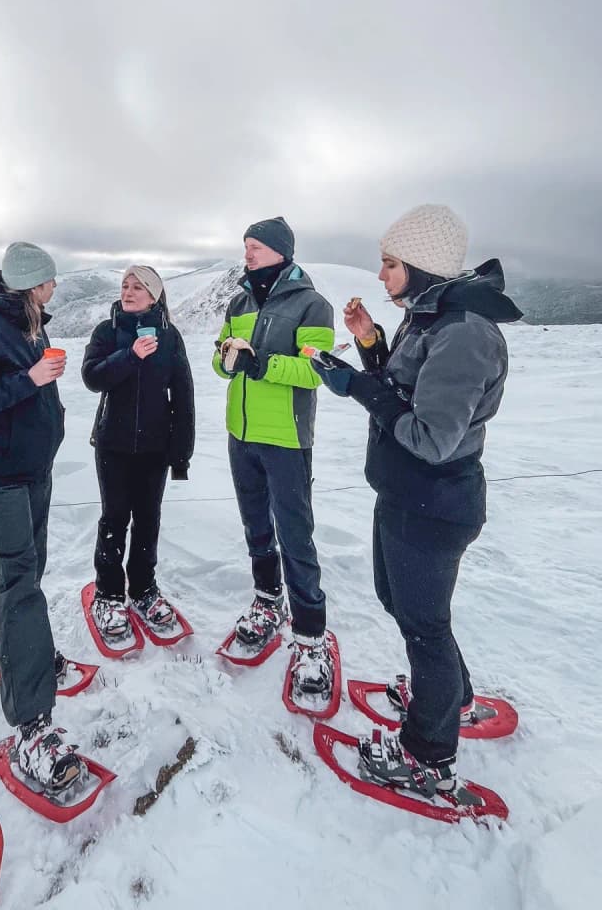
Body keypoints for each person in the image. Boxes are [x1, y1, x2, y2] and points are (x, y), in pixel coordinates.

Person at [309, 204, 521, 797]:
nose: (380, 275)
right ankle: (450, 696)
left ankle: (428, 756)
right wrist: (370, 346)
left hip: (433, 502)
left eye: (389, 263)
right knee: (402, 605)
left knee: (424, 626)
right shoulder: (430, 316)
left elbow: (431, 437)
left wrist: (356, 388)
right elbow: (406, 387)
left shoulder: (464, 335)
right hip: (405, 496)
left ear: (422, 265)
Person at [0, 242, 82, 794]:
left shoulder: (31, 324)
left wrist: (45, 388)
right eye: (49, 282)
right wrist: (30, 381)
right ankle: (31, 721)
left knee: (26, 573)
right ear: (31, 284)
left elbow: (30, 385)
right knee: (20, 581)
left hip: (32, 469)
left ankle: (17, 653)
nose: (55, 289)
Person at [214, 216, 336, 695]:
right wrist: (225, 358)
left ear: (281, 252)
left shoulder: (313, 305)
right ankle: (268, 600)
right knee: (256, 529)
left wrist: (259, 363)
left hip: (286, 438)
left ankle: (310, 637)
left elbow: (315, 371)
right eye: (245, 245)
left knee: (295, 536)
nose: (247, 253)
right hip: (239, 434)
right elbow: (221, 359)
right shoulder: (239, 300)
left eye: (256, 246)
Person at [81, 265, 195, 640]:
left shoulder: (170, 337)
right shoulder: (107, 331)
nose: (128, 292)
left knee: (148, 519)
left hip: (155, 448)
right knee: (114, 519)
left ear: (154, 295)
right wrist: (129, 356)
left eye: (138, 286)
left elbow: (183, 396)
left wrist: (181, 453)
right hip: (112, 444)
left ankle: (143, 589)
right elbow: (92, 377)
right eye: (125, 285)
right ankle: (109, 594)